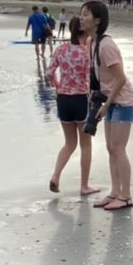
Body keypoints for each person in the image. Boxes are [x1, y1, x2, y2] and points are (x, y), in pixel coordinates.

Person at [79, 0, 133, 211]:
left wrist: (107, 105)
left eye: (86, 14)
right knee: (110, 148)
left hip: (123, 101)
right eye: (81, 13)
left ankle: (126, 196)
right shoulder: (91, 43)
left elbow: (121, 79)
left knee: (118, 148)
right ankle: (115, 192)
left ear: (97, 21)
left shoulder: (106, 45)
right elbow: (98, 76)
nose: (81, 17)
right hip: (110, 100)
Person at [45, 17, 101, 197]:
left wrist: (57, 85)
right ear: (84, 31)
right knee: (86, 145)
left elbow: (49, 72)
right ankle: (84, 185)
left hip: (63, 99)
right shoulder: (86, 52)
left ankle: (55, 176)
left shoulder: (61, 49)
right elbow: (93, 77)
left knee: (69, 143)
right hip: (80, 98)